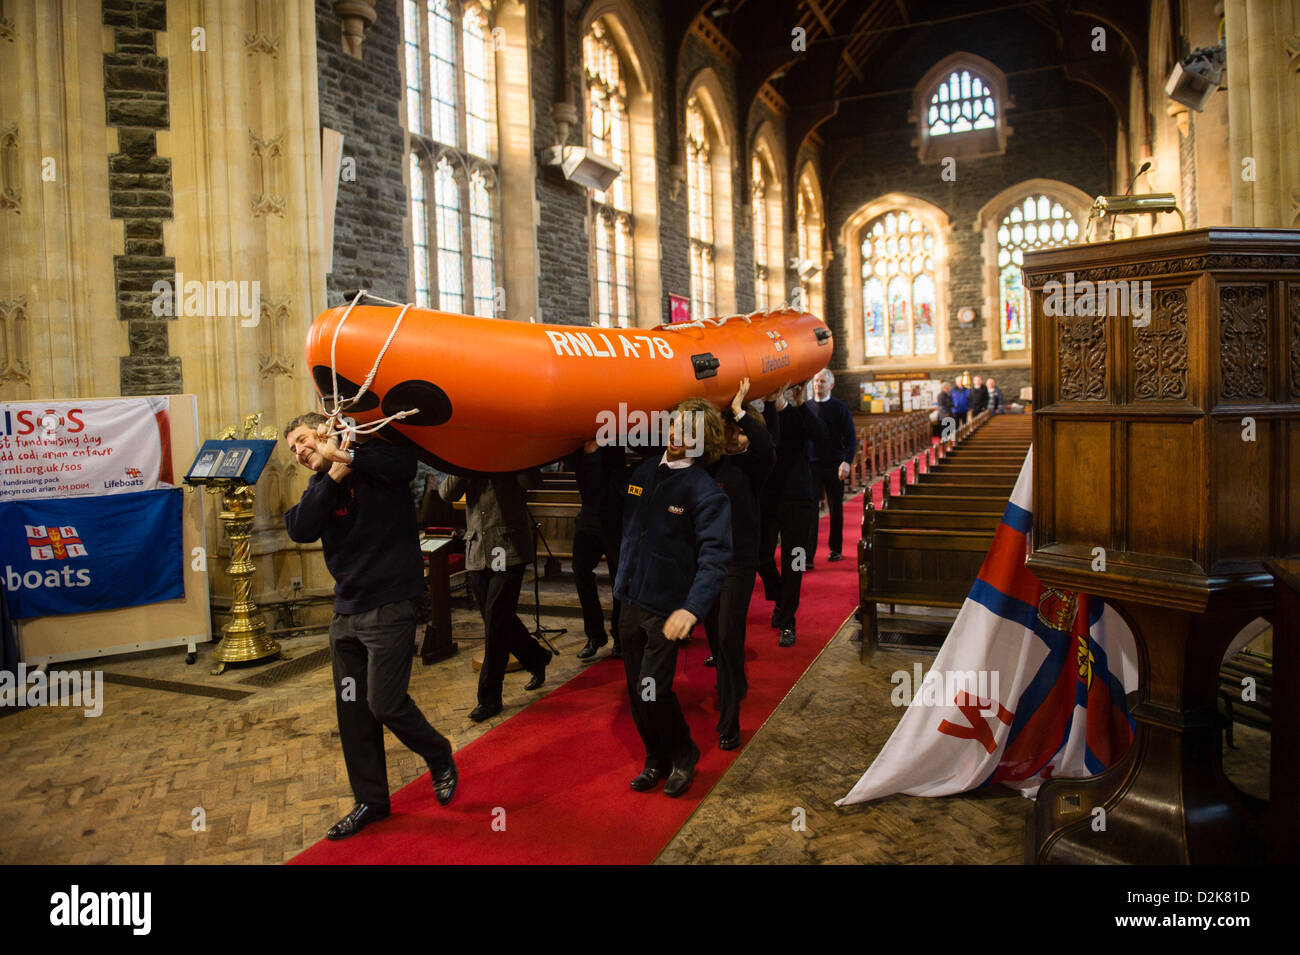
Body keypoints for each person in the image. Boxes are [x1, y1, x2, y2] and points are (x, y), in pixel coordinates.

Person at [283, 412, 457, 841]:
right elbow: (300, 527)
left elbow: (404, 466)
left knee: (385, 703)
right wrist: (332, 475)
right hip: (346, 613)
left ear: (325, 429)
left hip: (390, 603)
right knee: (354, 713)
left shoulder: (376, 460)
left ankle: (438, 753)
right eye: (294, 450)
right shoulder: (321, 485)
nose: (301, 452)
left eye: (305, 440)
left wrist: (347, 455)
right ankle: (372, 801)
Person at [615, 398, 731, 797]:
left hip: (668, 608)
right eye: (677, 424)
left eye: (690, 430)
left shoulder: (705, 492)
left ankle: (684, 754)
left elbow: (715, 560)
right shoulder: (641, 472)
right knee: (635, 689)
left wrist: (692, 607)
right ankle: (654, 759)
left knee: (652, 687)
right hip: (629, 598)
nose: (679, 434)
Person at [439, 468, 552, 722]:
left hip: (508, 549)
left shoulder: (510, 453)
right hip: (477, 552)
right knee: (500, 620)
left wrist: (506, 460)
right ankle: (536, 657)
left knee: (496, 622)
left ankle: (489, 698)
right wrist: (467, 464)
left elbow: (532, 480)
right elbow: (447, 492)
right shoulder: (465, 457)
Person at [704, 378, 775, 751]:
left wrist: (740, 412)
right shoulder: (710, 464)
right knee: (716, 636)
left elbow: (765, 445)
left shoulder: (753, 467)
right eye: (728, 431)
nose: (733, 437)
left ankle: (729, 719)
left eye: (738, 432)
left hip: (739, 564)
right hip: (707, 564)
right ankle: (735, 682)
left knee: (730, 635)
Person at [758, 380, 829, 648]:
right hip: (768, 500)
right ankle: (780, 598)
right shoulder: (762, 416)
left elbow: (822, 436)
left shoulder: (797, 415)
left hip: (798, 501)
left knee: (794, 562)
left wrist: (799, 403)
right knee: (761, 556)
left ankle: (788, 620)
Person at [569, 442, 626, 661]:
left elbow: (607, 484)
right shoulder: (578, 443)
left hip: (614, 518)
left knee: (618, 580)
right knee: (580, 571)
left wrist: (594, 451)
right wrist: (588, 451)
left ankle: (620, 637)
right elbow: (573, 466)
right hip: (588, 517)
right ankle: (595, 635)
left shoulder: (613, 437)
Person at [805, 369, 856, 564]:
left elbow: (851, 439)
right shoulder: (807, 407)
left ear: (831, 385)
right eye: (816, 381)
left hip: (835, 465)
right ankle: (808, 556)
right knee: (810, 510)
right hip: (812, 465)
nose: (819, 385)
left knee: (835, 508)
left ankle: (835, 549)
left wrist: (847, 461)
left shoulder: (840, 408)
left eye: (823, 382)